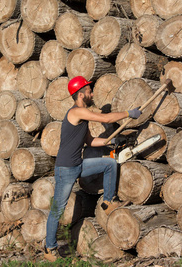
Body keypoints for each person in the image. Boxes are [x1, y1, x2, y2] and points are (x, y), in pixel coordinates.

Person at [44, 76, 142, 262]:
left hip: (78, 165)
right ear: (81, 95)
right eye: (89, 91)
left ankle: (107, 202)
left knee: (109, 164)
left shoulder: (82, 116)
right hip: (65, 170)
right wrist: (128, 113)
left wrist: (110, 141)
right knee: (57, 210)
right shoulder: (76, 112)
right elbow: (105, 118)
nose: (93, 93)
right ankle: (49, 248)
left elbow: (89, 141)